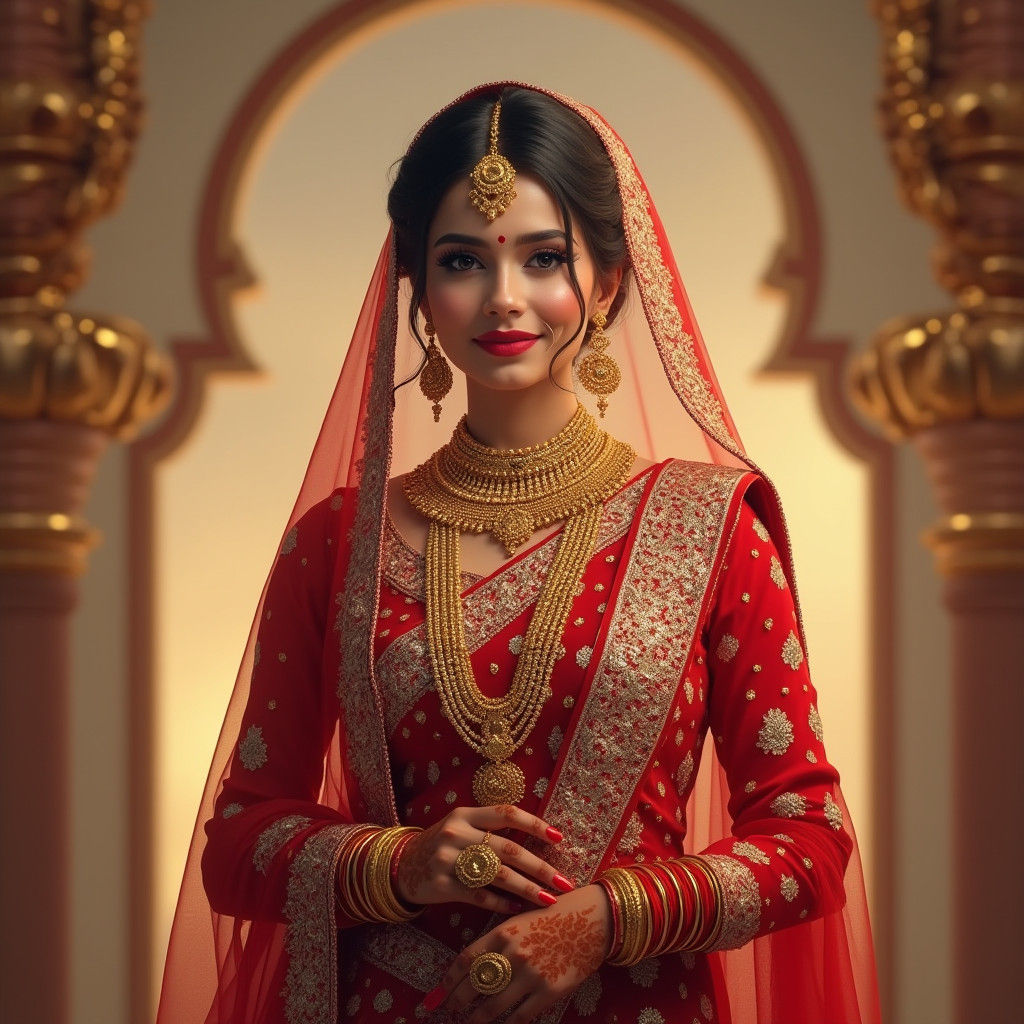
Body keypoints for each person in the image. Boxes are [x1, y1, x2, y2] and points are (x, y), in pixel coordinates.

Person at [156, 83, 881, 1024]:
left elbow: (809, 839)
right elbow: (239, 841)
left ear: (610, 282)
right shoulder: (339, 542)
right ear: (419, 287)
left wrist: (603, 921)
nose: (504, 299)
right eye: (462, 260)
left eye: (545, 259)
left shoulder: (712, 529)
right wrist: (401, 863)